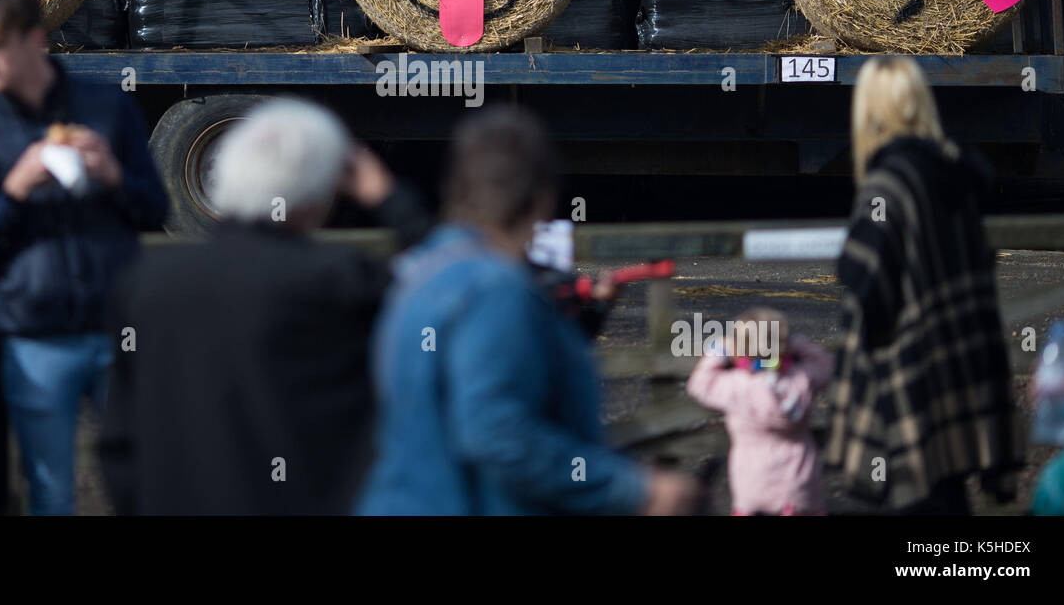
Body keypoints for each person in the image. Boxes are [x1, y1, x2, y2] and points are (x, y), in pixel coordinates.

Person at [357, 107, 697, 515]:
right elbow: (496, 431)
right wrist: (632, 489)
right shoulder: (495, 290)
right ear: (541, 199)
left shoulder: (416, 276)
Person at [98, 97, 431, 514]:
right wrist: (389, 197)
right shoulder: (342, 279)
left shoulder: (146, 284)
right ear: (324, 190)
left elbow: (119, 445)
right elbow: (446, 282)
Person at [0, 0, 167, 515]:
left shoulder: (106, 108)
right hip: (35, 335)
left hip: (120, 328)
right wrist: (16, 191)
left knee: (144, 482)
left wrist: (113, 174)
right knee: (50, 490)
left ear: (36, 40)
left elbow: (155, 212)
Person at [825, 56, 1021, 514]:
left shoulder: (888, 184)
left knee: (903, 496)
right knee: (946, 496)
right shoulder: (956, 176)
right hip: (959, 370)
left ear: (870, 111)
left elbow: (864, 278)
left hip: (906, 377)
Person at [685, 307, 833, 515]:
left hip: (752, 483)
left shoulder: (736, 385)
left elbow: (698, 384)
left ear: (738, 349)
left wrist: (721, 348)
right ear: (784, 346)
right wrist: (797, 344)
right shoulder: (801, 379)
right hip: (799, 482)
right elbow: (826, 365)